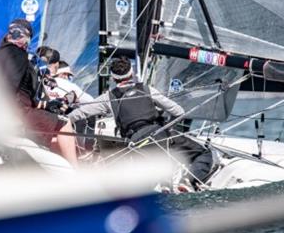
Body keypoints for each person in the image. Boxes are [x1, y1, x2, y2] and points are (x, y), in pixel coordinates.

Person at [67, 56, 214, 187]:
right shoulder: (147, 89)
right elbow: (179, 112)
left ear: (113, 78)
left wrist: (61, 119)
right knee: (204, 153)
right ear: (132, 73)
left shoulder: (108, 98)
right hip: (160, 135)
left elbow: (78, 114)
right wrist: (168, 128)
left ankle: (163, 185)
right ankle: (188, 182)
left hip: (135, 143)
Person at [0, 19, 78, 166]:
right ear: (26, 37)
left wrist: (47, 105)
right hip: (16, 115)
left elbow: (20, 93)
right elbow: (9, 90)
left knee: (55, 136)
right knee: (64, 123)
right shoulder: (18, 54)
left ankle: (58, 167)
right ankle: (76, 172)